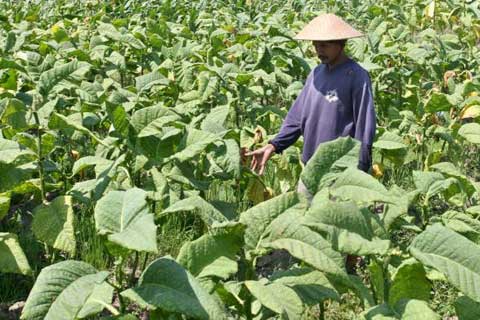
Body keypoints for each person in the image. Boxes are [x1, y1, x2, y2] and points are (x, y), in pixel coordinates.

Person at [246, 13, 376, 201]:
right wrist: (273, 145)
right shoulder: (316, 74)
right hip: (310, 168)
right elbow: (297, 118)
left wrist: (360, 170)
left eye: (324, 45)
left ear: (341, 43)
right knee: (306, 223)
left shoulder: (356, 76)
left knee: (334, 226)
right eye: (315, 44)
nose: (318, 50)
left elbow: (365, 127)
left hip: (339, 171)